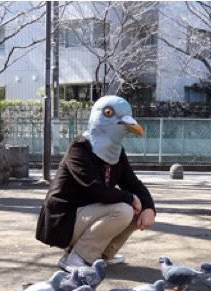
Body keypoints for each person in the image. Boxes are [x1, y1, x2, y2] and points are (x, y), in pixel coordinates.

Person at [36, 95, 156, 270]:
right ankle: (77, 257)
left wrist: (149, 207)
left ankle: (101, 255)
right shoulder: (80, 148)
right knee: (123, 210)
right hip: (63, 220)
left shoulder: (116, 152)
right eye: (108, 113)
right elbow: (96, 189)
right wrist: (130, 198)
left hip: (87, 215)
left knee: (136, 211)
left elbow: (132, 182)